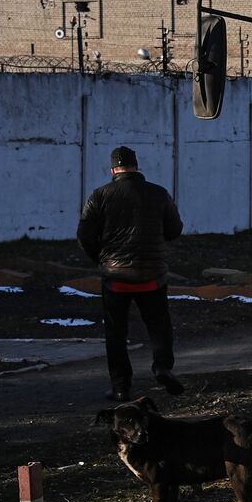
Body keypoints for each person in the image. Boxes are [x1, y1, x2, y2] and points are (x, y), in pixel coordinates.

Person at [77, 146, 186, 401]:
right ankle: (162, 367)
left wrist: (102, 260)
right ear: (136, 166)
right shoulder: (159, 193)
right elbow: (174, 230)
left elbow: (84, 236)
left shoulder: (100, 195)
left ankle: (120, 386)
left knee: (116, 333)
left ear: (113, 170)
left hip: (116, 280)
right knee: (159, 325)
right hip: (152, 277)